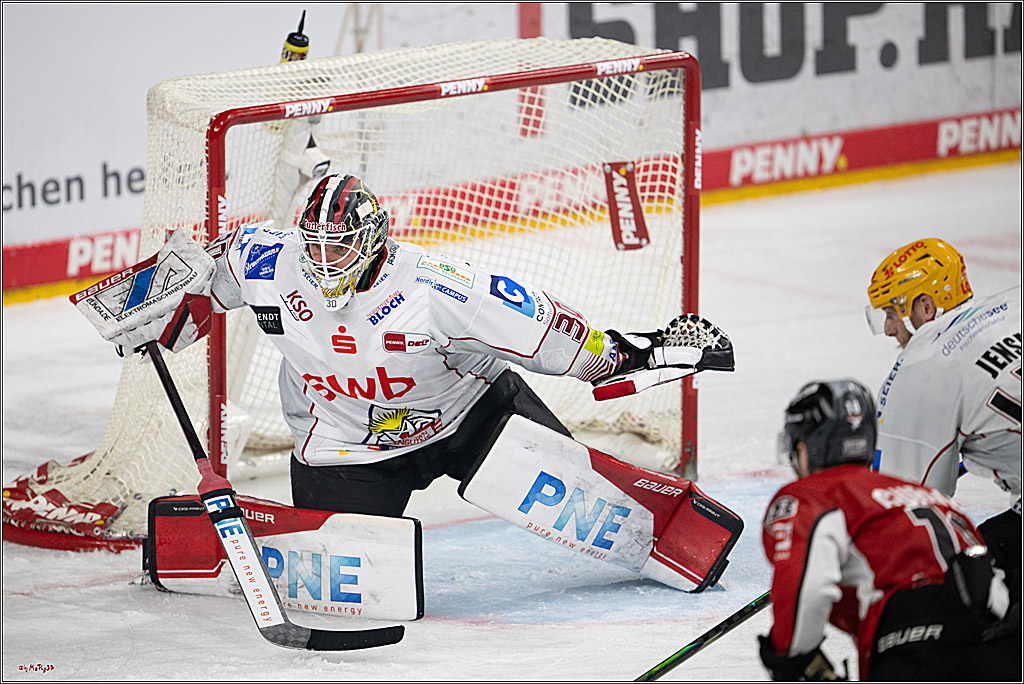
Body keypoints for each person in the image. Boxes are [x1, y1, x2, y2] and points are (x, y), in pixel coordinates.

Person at [80, 172, 738, 592]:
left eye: (335, 248)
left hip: (471, 419)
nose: (319, 260)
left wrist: (656, 351)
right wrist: (150, 310)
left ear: (370, 244)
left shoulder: (448, 290)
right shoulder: (268, 256)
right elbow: (198, 283)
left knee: (603, 513)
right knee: (338, 585)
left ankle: (661, 531)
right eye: (311, 245)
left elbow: (568, 346)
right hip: (345, 447)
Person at [758, 379, 1019, 681]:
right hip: (1004, 641)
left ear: (805, 449)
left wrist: (789, 656)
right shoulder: (928, 497)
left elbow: (809, 587)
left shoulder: (809, 494)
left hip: (918, 649)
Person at [864, 237, 1021, 599]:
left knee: (957, 583)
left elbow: (909, 510)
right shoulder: (1014, 302)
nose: (888, 329)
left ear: (925, 307)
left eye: (890, 313)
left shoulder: (921, 366)